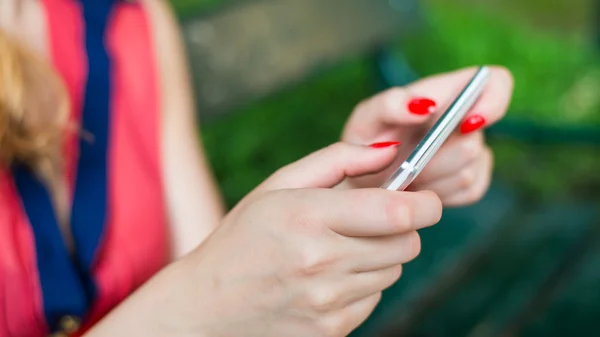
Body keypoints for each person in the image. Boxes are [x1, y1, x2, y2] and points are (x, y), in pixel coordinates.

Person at [0, 0, 514, 336]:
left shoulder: (126, 18)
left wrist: (357, 186)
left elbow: (212, 267)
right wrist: (189, 309)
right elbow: (206, 294)